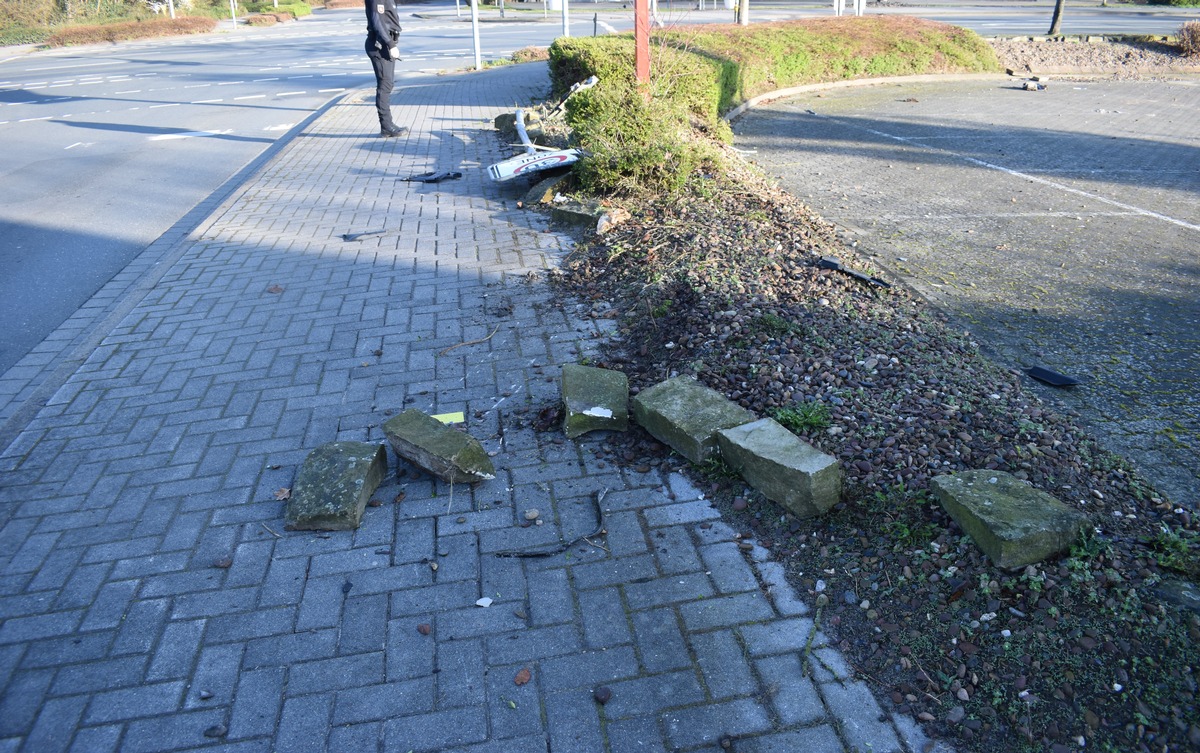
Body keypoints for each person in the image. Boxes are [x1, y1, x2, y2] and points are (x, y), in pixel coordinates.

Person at [365, 0, 404, 137]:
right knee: (385, 85)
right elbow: (377, 22)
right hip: (380, 46)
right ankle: (386, 126)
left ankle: (388, 124)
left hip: (385, 44)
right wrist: (390, 44)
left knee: (388, 84)